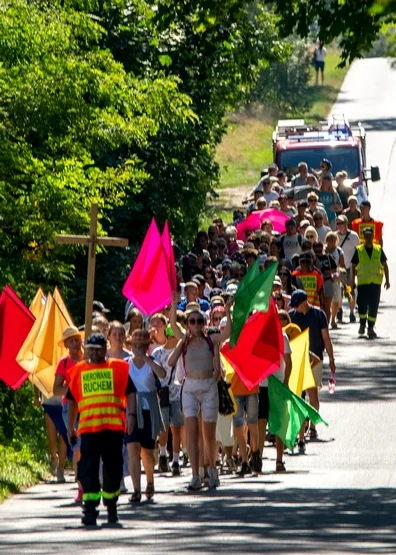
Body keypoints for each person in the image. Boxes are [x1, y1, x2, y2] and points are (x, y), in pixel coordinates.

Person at [66, 333, 137, 526]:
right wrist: (70, 427)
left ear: (105, 349)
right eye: (90, 349)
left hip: (112, 429)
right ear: (86, 349)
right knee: (88, 470)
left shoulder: (118, 368)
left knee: (113, 469)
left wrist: (131, 416)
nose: (93, 353)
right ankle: (89, 510)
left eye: (97, 349)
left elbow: (131, 392)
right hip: (88, 429)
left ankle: (112, 506)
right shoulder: (78, 371)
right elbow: (71, 400)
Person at [168, 297, 233, 490]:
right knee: (192, 433)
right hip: (189, 387)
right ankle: (195, 475)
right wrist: (173, 304)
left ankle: (212, 471)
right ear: (187, 324)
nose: (196, 325)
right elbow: (172, 325)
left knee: (209, 434)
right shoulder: (184, 341)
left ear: (204, 324)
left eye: (200, 321)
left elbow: (228, 332)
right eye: (192, 321)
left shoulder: (210, 339)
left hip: (208, 386)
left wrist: (228, 311)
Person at [125, 329, 166, 502]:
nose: (138, 349)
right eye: (135, 345)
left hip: (149, 409)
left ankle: (150, 480)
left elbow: (162, 374)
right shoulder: (126, 364)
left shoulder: (152, 362)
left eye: (141, 346)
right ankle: (136, 489)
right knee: (132, 448)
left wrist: (147, 359)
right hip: (131, 410)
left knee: (147, 452)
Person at [289, 290, 336, 438]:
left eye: (297, 305)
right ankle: (299, 426)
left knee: (313, 394)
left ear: (304, 302)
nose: (295, 308)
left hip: (315, 361)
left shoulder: (318, 315)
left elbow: (326, 338)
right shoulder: (291, 316)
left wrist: (331, 359)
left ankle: (313, 426)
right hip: (297, 361)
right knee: (298, 396)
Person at [53, 326, 84, 502]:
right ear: (66, 345)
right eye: (70, 340)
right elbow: (56, 389)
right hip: (70, 409)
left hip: (89, 406)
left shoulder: (89, 357)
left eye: (76, 339)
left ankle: (94, 482)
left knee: (91, 445)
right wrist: (72, 390)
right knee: (78, 448)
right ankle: (81, 487)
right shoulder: (63, 363)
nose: (74, 342)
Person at [151, 324, 184, 476]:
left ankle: (176, 460)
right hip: (162, 394)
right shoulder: (158, 353)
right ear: (170, 336)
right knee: (163, 426)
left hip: (178, 394)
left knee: (177, 428)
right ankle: (163, 454)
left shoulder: (182, 352)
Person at [350, 227, 390, 338]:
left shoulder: (378, 249)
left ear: (373, 237)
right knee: (362, 306)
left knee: (374, 306)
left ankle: (371, 327)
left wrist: (387, 280)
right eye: (366, 236)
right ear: (364, 237)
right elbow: (353, 266)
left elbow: (385, 265)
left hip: (375, 284)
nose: (368, 238)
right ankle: (362, 324)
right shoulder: (359, 250)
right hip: (363, 284)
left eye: (370, 236)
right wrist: (352, 281)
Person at [335, 215, 360, 323]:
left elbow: (358, 252)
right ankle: (339, 309)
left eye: (341, 223)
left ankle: (351, 312)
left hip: (350, 268)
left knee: (350, 291)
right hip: (338, 269)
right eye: (338, 223)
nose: (339, 226)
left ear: (346, 224)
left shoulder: (354, 236)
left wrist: (357, 268)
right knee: (339, 291)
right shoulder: (334, 236)